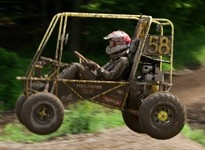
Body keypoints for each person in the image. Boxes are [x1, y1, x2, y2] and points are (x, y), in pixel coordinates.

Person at [59, 30, 131, 81]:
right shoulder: (115, 58)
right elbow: (102, 71)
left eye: (111, 43)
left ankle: (56, 84)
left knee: (76, 66)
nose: (109, 45)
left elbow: (110, 77)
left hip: (102, 84)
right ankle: (57, 82)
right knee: (73, 65)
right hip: (99, 78)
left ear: (120, 44)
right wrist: (91, 65)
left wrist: (96, 66)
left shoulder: (123, 60)